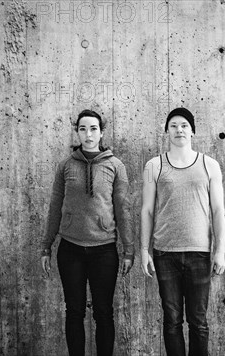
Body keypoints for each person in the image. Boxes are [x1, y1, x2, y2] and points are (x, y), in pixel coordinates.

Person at [41, 109, 134, 356]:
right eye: (83, 129)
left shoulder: (115, 165)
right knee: (74, 311)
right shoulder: (66, 165)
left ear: (101, 132)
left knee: (103, 312)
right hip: (70, 249)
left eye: (93, 128)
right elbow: (54, 206)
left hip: (104, 250)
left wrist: (128, 249)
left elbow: (123, 208)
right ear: (77, 132)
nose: (88, 133)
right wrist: (46, 245)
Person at [140, 107, 225, 356]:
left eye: (184, 125)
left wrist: (219, 251)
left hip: (199, 253)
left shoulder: (209, 165)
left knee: (198, 322)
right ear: (167, 131)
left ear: (192, 131)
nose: (179, 129)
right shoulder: (153, 166)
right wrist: (144, 250)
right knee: (172, 321)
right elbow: (146, 210)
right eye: (174, 125)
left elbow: (218, 210)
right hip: (164, 253)